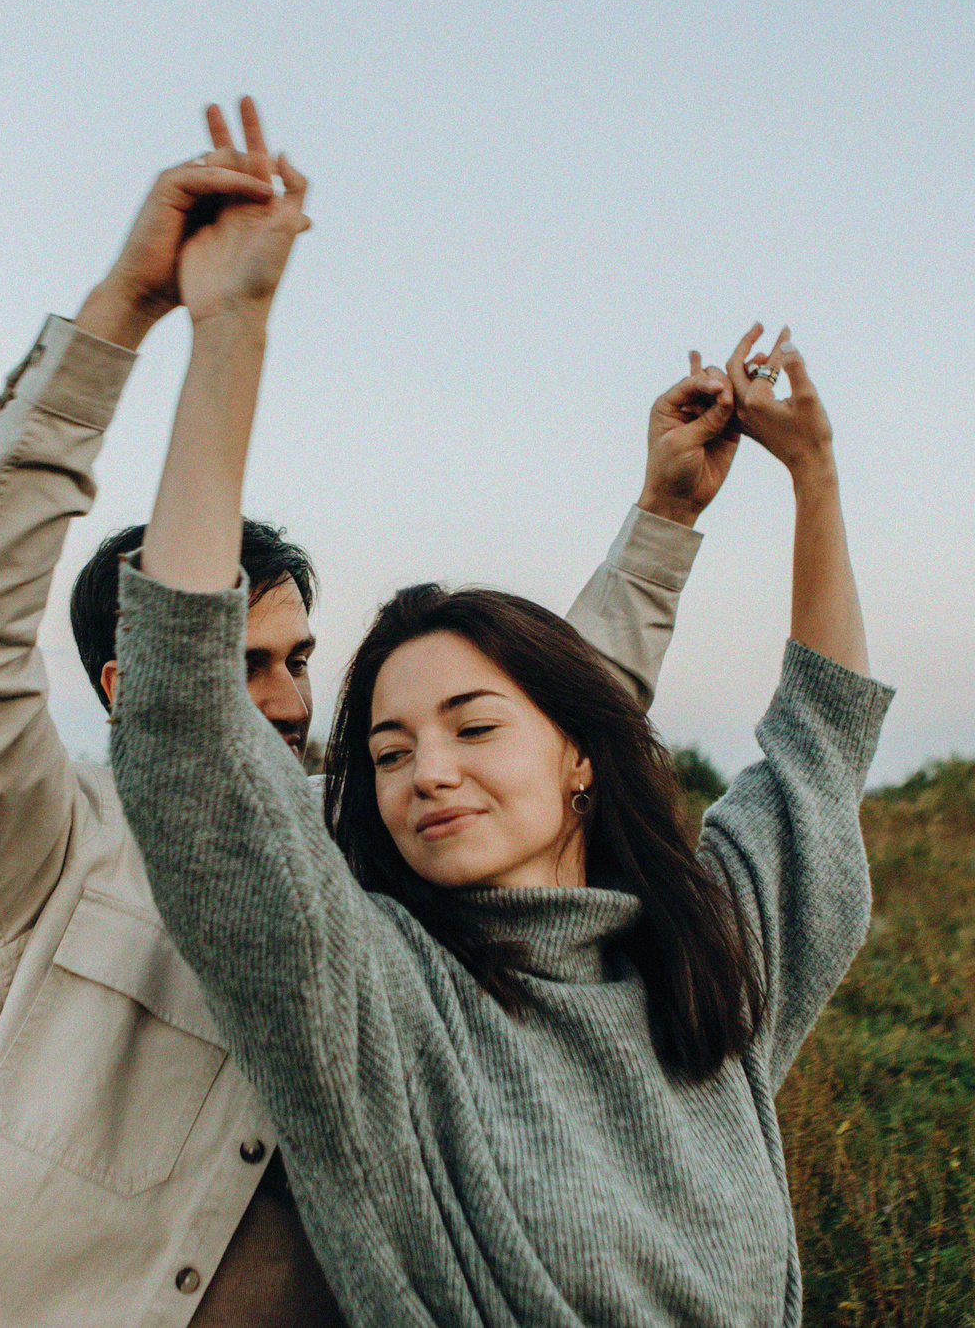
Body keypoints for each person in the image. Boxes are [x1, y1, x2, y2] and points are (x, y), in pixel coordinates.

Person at [0, 100, 750, 1326]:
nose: (286, 701)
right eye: (240, 663)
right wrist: (125, 309)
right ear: (136, 685)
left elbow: (543, 724)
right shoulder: (41, 851)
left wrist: (663, 521)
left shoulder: (365, 859)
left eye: (299, 659)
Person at [109, 145, 894, 1325]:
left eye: (473, 725)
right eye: (383, 751)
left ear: (584, 748)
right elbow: (185, 741)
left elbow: (820, 747)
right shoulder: (369, 1000)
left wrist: (814, 478)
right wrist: (226, 330)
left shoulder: (707, 955)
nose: (428, 771)